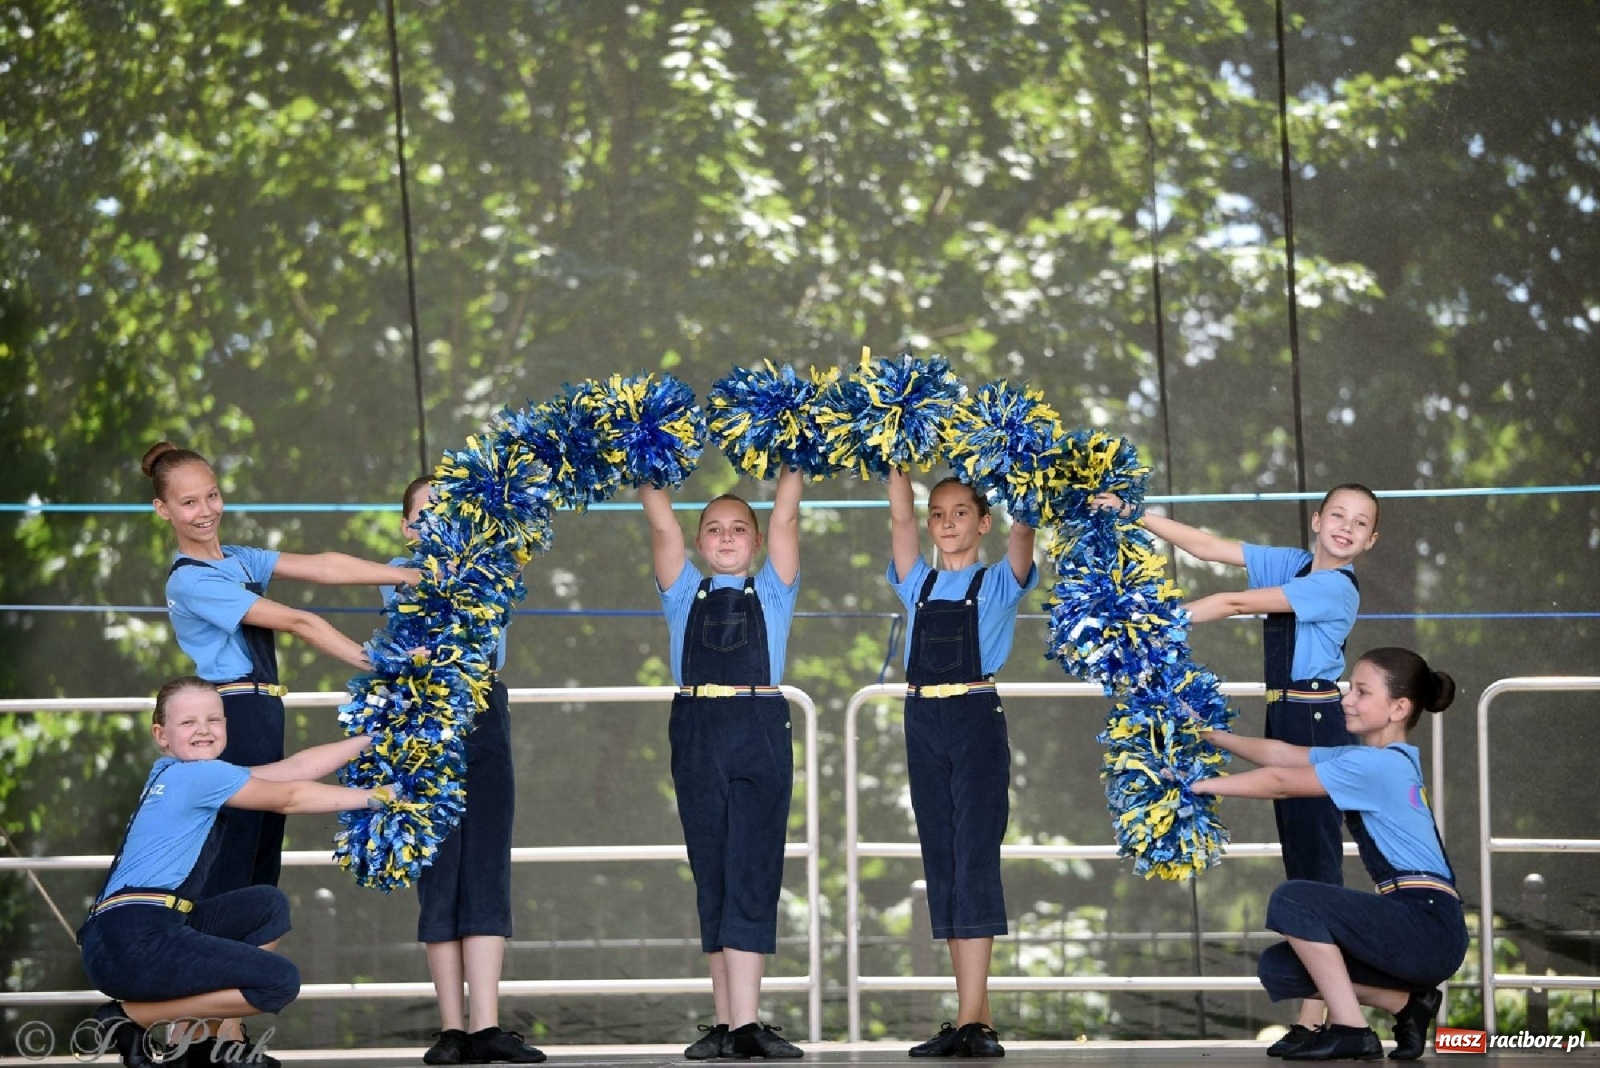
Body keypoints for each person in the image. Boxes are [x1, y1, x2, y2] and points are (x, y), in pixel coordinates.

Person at [1093, 484, 1379, 1045]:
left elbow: (1234, 602)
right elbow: (1205, 547)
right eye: (1338, 515)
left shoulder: (1334, 587)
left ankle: (1335, 1022)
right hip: (1285, 717)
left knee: (1316, 872)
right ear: (1317, 520)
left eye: (1361, 523)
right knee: (1302, 869)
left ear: (1371, 540)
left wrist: (1151, 628)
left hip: (1316, 720)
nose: (1346, 527)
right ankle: (1317, 1019)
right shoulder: (1295, 563)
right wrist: (1134, 513)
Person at [142, 440, 421, 898]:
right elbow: (297, 621)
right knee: (236, 857)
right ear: (163, 509)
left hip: (264, 708)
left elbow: (327, 567)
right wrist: (380, 663)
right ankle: (222, 962)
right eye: (188, 502)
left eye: (211, 495)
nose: (205, 510)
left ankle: (253, 964)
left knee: (264, 862)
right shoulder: (190, 579)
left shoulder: (236, 558)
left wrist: (410, 575)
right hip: (232, 713)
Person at [78, 676, 394, 1068]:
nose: (204, 730)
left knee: (265, 906)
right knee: (278, 981)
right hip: (137, 940)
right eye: (188, 722)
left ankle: (200, 1045)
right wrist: (378, 798)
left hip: (118, 936)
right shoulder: (201, 777)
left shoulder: (175, 773)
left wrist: (372, 738)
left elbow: (294, 768)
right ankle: (128, 1018)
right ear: (161, 734)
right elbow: (291, 795)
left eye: (214, 719)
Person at [1190, 648, 1466, 1061]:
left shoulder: (1379, 766)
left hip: (1427, 924)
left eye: (1361, 691)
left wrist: (1198, 787)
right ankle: (1407, 1004)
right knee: (1282, 968)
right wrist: (1208, 736)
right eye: (1349, 688)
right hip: (1418, 923)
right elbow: (1283, 754)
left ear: (1398, 708)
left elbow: (1282, 782)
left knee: (1294, 898)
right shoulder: (1367, 759)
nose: (1346, 699)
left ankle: (1352, 1029)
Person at [638, 467, 805, 1060]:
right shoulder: (683, 591)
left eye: (739, 529)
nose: (727, 538)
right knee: (713, 869)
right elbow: (661, 523)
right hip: (696, 728)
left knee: (753, 867)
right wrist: (644, 448)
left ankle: (748, 1023)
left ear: (757, 543)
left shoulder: (777, 590)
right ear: (699, 542)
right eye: (714, 530)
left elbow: (785, 514)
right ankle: (724, 1022)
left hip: (759, 725)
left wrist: (794, 461)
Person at [386, 478, 542, 1065]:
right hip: (423, 716)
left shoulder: (494, 568)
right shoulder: (397, 573)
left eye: (451, 510)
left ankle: (485, 1026)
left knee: (485, 865)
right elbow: (420, 630)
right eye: (425, 513)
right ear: (407, 527)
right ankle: (450, 1028)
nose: (438, 520)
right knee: (439, 868)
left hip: (484, 712)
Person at [886, 471, 1037, 1059]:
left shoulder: (999, 582)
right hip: (922, 720)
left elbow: (1024, 531)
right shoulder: (915, 584)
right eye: (938, 515)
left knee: (974, 855)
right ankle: (971, 1017)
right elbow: (899, 520)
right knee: (943, 860)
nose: (947, 524)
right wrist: (896, 460)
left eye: (959, 514)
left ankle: (974, 1021)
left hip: (975, 716)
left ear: (983, 522)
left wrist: (1018, 463)